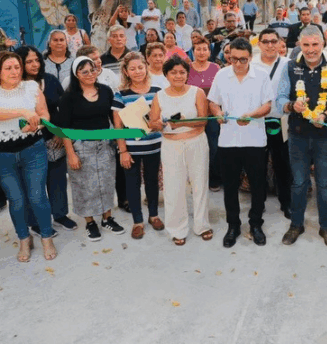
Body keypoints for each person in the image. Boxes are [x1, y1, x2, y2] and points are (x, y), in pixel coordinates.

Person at [0, 52, 57, 261]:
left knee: (38, 196)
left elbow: (44, 113)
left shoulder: (31, 87)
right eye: (9, 68)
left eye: (17, 67)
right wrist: (22, 112)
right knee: (16, 200)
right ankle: (24, 239)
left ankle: (47, 237)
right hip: (3, 156)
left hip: (33, 149)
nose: (15, 71)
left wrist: (36, 123)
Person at [277, 26, 327, 248]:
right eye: (305, 45)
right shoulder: (290, 67)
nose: (310, 50)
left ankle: (326, 227)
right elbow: (278, 100)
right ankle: (296, 224)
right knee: (298, 183)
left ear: (323, 44)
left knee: (325, 184)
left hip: (325, 136)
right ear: (299, 45)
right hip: (297, 137)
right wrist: (292, 105)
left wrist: (326, 114)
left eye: (315, 45)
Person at [208, 38, 273, 247]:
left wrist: (252, 115)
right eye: (233, 59)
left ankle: (256, 224)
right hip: (228, 141)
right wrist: (217, 114)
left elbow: (267, 106)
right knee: (230, 186)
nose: (237, 64)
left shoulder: (261, 76)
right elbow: (213, 102)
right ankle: (233, 225)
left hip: (254, 140)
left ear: (250, 58)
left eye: (242, 60)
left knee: (257, 184)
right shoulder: (221, 75)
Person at [57, 56, 125, 242]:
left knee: (105, 181)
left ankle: (107, 218)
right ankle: (90, 222)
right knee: (84, 186)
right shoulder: (68, 97)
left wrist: (120, 146)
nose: (89, 74)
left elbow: (114, 119)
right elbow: (64, 129)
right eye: (84, 71)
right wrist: (71, 154)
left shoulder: (105, 91)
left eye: (92, 70)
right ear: (76, 74)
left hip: (104, 144)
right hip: (80, 146)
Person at [149, 55, 213, 245]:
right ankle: (177, 229)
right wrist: (159, 124)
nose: (178, 76)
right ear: (166, 75)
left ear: (187, 73)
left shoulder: (197, 92)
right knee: (173, 187)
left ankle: (202, 225)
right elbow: (152, 122)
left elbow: (203, 120)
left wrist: (182, 122)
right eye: (173, 72)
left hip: (196, 142)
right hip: (171, 146)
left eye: (182, 72)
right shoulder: (159, 96)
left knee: (200, 184)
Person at [16, 46, 77, 232]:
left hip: (53, 139)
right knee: (34, 183)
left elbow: (63, 107)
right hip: (28, 142)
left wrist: (60, 132)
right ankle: (35, 221)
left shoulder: (50, 80)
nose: (34, 64)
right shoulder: (15, 86)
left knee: (57, 179)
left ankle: (60, 215)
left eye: (36, 60)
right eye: (28, 61)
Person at [112, 52, 164, 239]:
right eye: (132, 69)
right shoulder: (121, 95)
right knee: (132, 185)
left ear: (147, 67)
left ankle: (153, 215)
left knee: (152, 182)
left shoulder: (158, 91)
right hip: (132, 149)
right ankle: (138, 221)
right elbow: (117, 127)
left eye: (140, 67)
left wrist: (161, 123)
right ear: (125, 71)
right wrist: (123, 151)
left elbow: (162, 118)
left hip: (154, 145)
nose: (137, 72)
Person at [252, 29, 292, 217]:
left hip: (281, 121)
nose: (269, 45)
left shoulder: (289, 65)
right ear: (259, 44)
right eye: (265, 41)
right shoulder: (250, 65)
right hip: (257, 122)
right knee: (257, 165)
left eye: (273, 41)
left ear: (279, 43)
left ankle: (286, 202)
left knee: (283, 164)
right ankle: (258, 204)